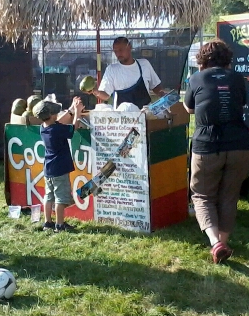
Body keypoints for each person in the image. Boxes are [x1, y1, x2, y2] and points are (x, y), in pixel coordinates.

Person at [183, 39, 249, 264]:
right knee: (229, 195)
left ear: (202, 60)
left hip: (207, 145)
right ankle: (224, 242)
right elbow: (242, 104)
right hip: (238, 143)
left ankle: (216, 243)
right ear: (227, 59)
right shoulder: (237, 78)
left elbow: (190, 108)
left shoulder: (195, 78)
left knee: (202, 195)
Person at [33, 97, 84, 232]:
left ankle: (47, 222)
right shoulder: (56, 130)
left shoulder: (43, 128)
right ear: (50, 116)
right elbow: (73, 129)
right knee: (60, 198)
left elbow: (59, 122)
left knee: (48, 196)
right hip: (60, 169)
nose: (57, 114)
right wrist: (78, 112)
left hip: (49, 169)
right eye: (55, 112)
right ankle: (60, 225)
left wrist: (72, 109)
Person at [90, 36, 165, 108]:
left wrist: (163, 95)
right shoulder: (111, 70)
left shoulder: (144, 65)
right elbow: (106, 95)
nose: (118, 54)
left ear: (129, 47)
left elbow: (155, 86)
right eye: (115, 51)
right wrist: (96, 92)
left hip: (144, 114)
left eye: (120, 50)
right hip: (123, 117)